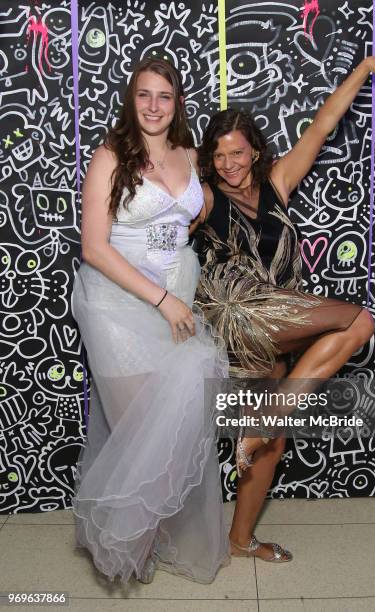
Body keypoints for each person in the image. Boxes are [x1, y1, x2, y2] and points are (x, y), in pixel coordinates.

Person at [191, 57, 375, 562]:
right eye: (219, 155)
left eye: (238, 153)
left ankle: (241, 540)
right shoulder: (203, 198)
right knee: (358, 321)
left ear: (254, 151)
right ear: (208, 158)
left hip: (281, 322)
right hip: (240, 317)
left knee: (270, 443)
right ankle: (270, 416)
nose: (230, 164)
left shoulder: (276, 183)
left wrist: (363, 69)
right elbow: (156, 223)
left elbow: (322, 124)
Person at [71, 57, 230, 585]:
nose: (154, 106)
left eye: (164, 96)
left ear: (177, 101)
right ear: (131, 99)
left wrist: (196, 215)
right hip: (118, 307)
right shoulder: (109, 157)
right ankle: (126, 547)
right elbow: (94, 247)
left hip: (177, 305)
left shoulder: (188, 154)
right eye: (144, 95)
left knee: (175, 426)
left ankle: (155, 534)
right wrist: (161, 298)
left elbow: (191, 212)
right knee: (139, 432)